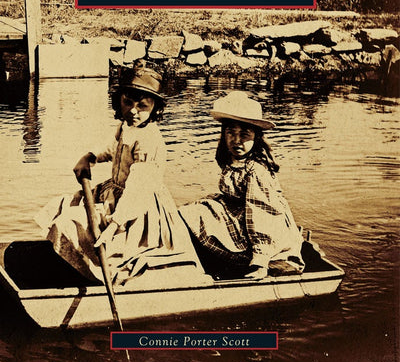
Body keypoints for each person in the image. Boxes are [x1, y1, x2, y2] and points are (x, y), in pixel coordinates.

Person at [36, 62, 206, 287]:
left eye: (142, 106)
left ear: (155, 107)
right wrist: (90, 157)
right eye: (128, 103)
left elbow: (138, 189)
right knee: (63, 207)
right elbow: (112, 148)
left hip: (138, 209)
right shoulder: (126, 126)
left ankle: (104, 279)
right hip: (116, 194)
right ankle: (78, 269)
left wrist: (114, 225)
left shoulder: (149, 140)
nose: (133, 111)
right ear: (119, 101)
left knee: (79, 228)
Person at [179, 91, 305, 280]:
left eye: (244, 134)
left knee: (196, 215)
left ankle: (252, 263)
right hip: (242, 221)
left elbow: (261, 214)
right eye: (230, 132)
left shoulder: (256, 171)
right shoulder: (233, 160)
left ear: (256, 137)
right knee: (190, 211)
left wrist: (260, 261)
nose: (236, 140)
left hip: (264, 232)